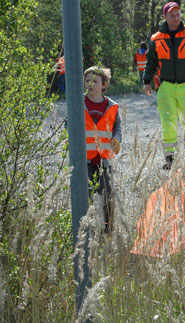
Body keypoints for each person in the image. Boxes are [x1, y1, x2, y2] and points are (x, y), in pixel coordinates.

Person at [143, 2, 185, 170]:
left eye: (178, 14)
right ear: (165, 17)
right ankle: (170, 159)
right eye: (172, 15)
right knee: (168, 123)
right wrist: (146, 81)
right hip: (165, 87)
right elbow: (150, 62)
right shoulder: (155, 39)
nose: (176, 18)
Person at [83, 66, 122, 233]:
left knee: (108, 196)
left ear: (104, 85)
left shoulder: (112, 106)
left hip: (104, 160)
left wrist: (117, 139)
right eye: (87, 81)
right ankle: (87, 230)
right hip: (85, 160)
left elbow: (117, 127)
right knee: (87, 197)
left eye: (95, 81)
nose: (90, 84)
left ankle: (108, 230)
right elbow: (69, 126)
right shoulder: (78, 103)